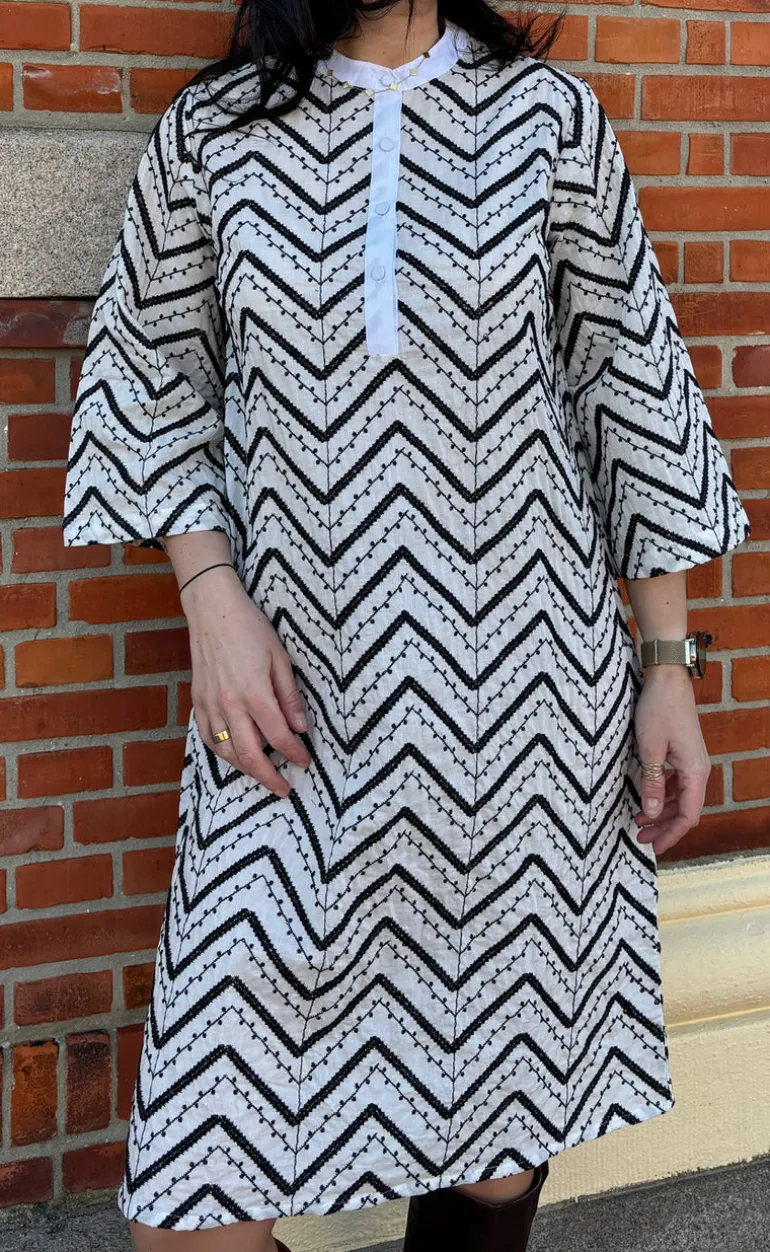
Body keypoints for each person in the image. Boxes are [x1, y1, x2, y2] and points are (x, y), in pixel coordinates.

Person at [61, 1, 751, 1249]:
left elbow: (628, 385)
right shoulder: (215, 129)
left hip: (526, 710)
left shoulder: (546, 119)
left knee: (494, 1148)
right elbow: (151, 373)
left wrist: (666, 665)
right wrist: (209, 596)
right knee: (191, 1204)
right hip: (293, 713)